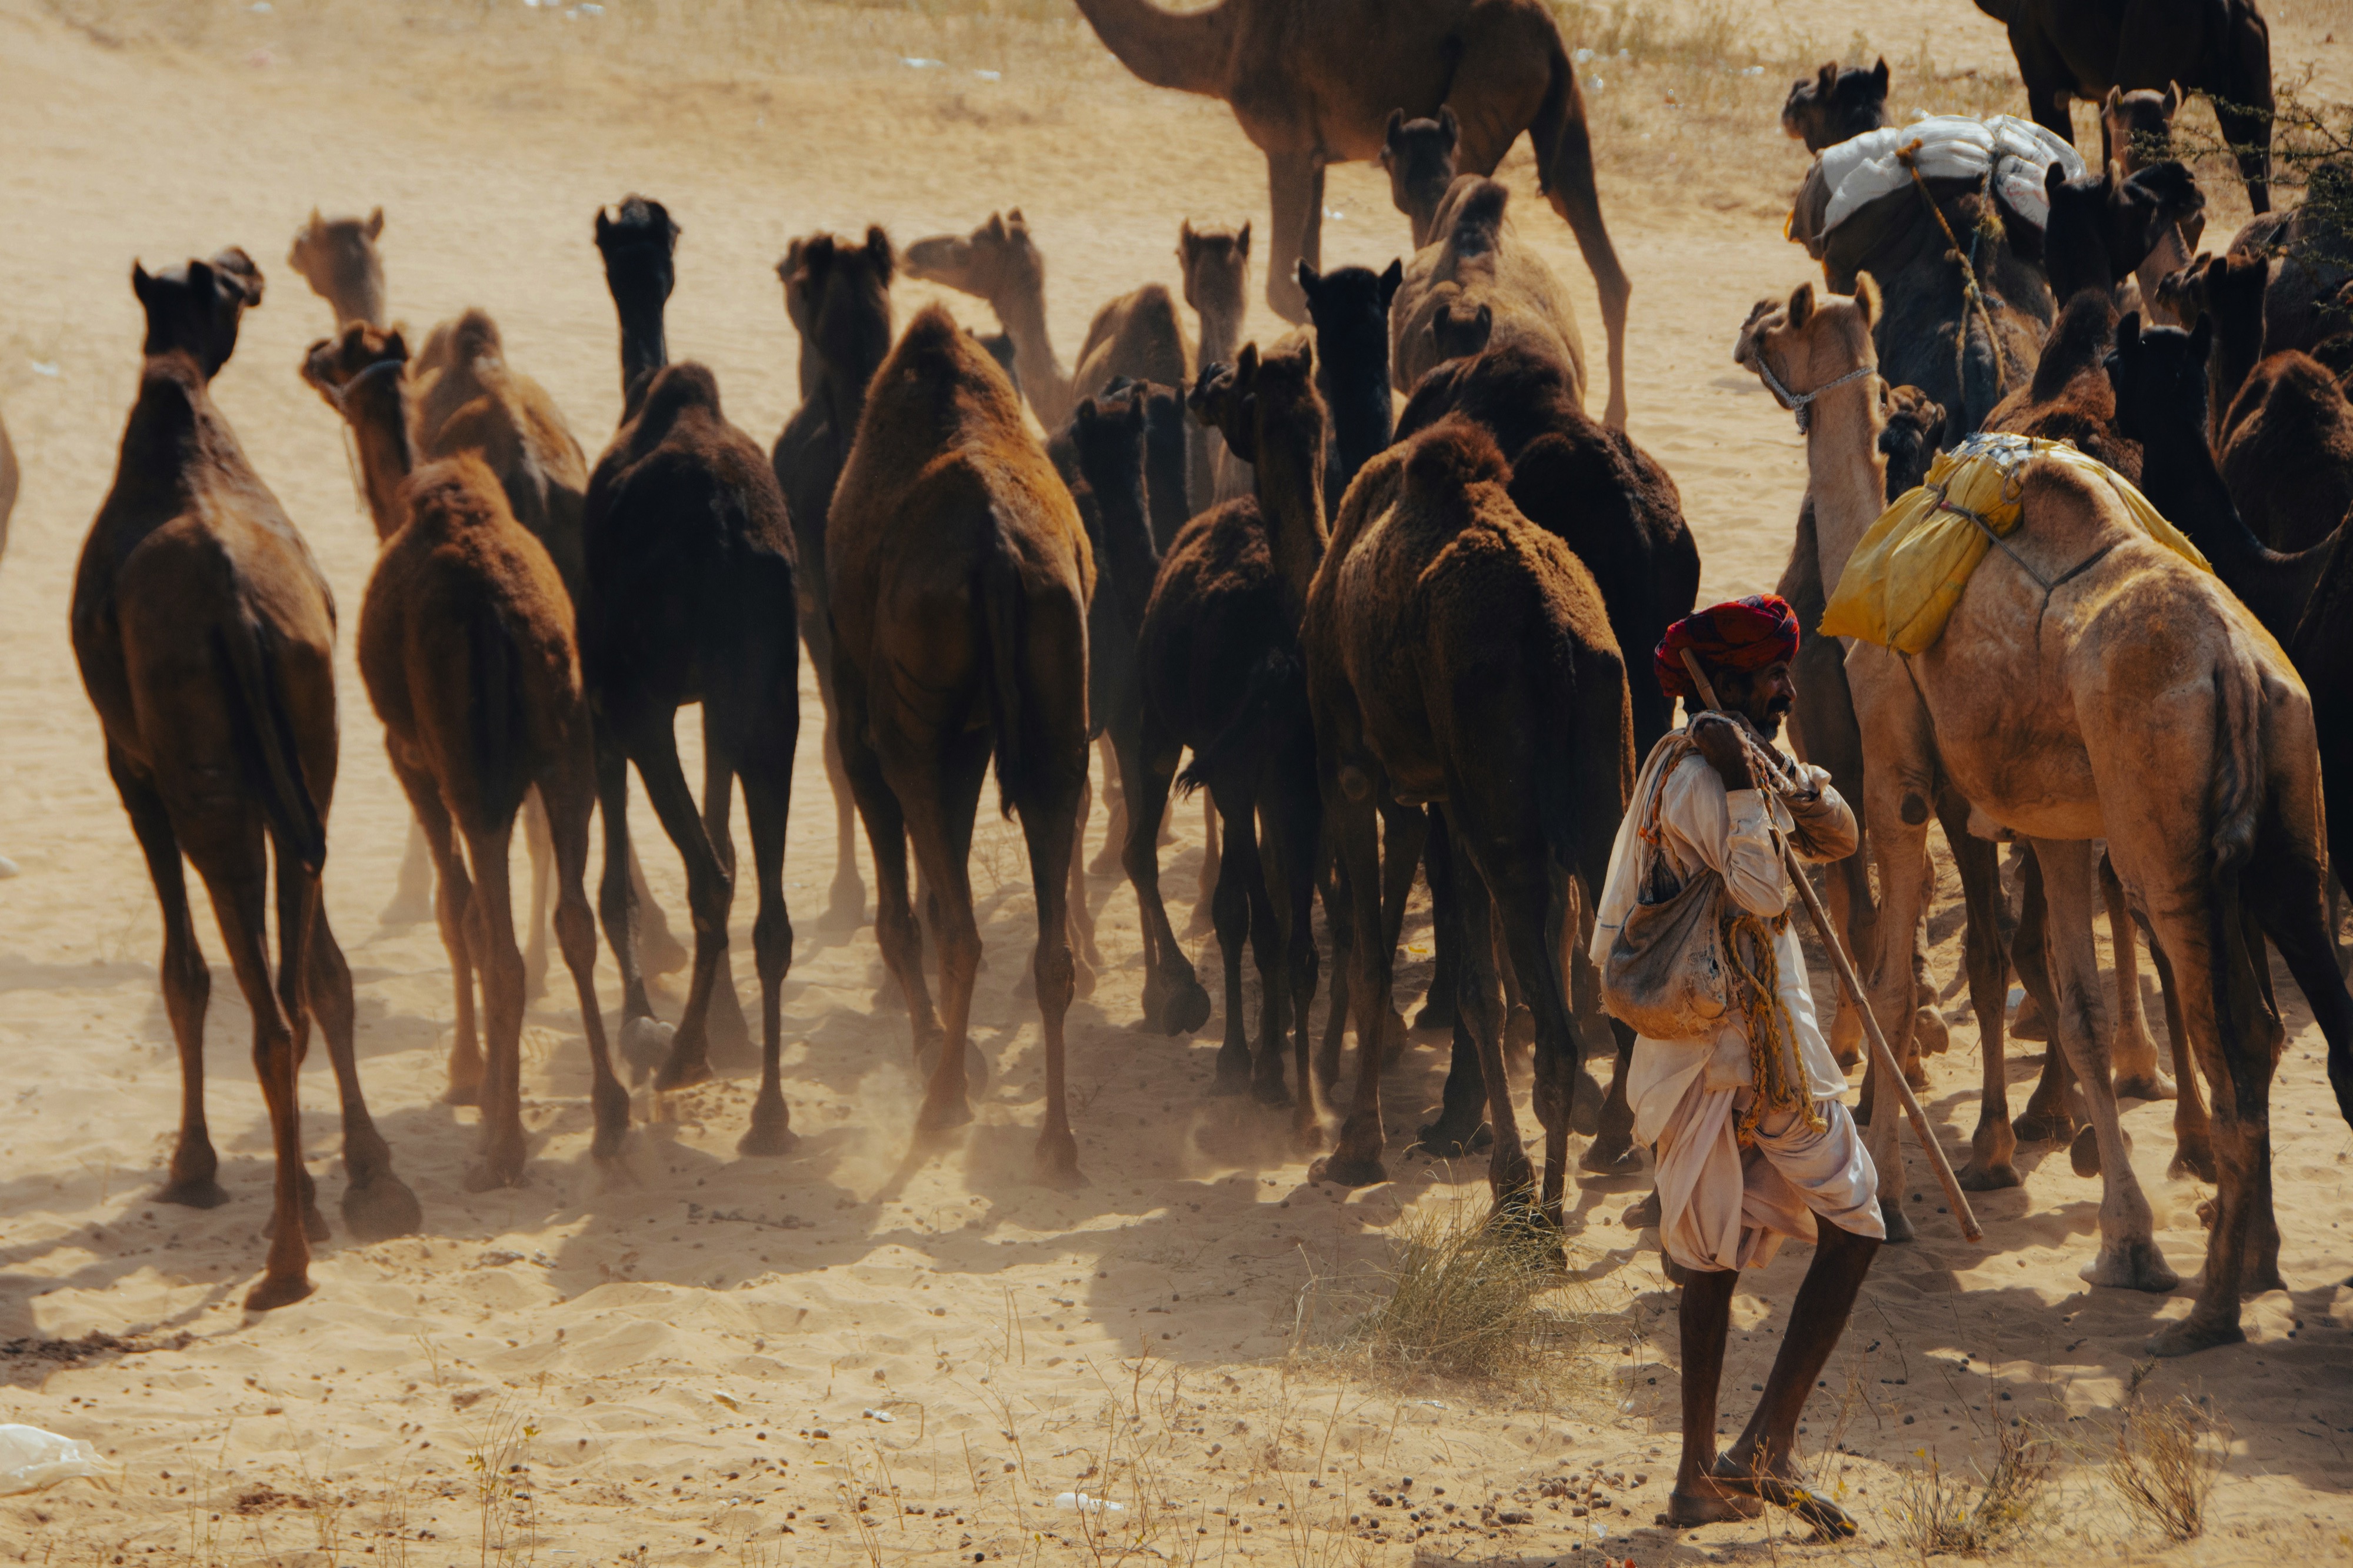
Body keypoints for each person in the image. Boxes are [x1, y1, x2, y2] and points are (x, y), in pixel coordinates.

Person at [1590, 594, 1881, 1538]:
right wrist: (1745, 783)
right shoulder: (1691, 783)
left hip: (1744, 1054)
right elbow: (1759, 887)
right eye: (1769, 675)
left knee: (1728, 1251)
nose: (1787, 687)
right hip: (1722, 1057)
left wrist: (1777, 772)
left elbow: (1837, 831)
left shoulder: (1750, 761)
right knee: (1821, 1231)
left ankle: (1727, 1461)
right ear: (1725, 682)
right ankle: (1734, 1460)